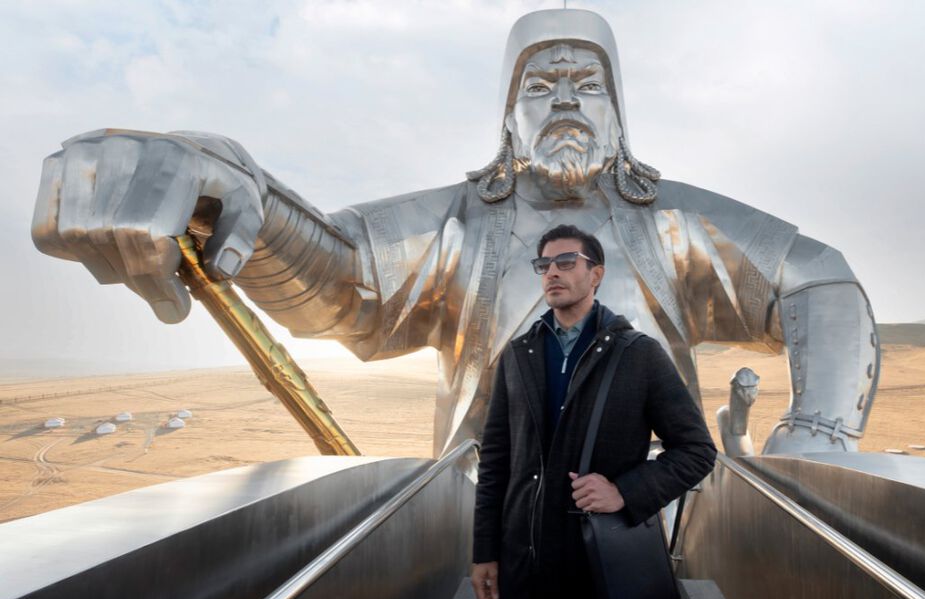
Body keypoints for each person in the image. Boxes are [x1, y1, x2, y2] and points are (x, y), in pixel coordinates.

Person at [31, 9, 879, 461]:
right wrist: (238, 193)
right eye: (541, 85)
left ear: (620, 110)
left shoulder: (674, 222)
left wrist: (822, 429)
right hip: (492, 531)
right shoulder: (462, 225)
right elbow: (342, 284)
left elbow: (817, 277)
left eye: (587, 83)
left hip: (657, 528)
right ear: (509, 116)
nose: (566, 99)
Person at [470, 224, 716, 599]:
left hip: (599, 565)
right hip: (524, 562)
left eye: (567, 262)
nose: (552, 272)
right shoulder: (517, 355)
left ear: (596, 274)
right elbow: (495, 461)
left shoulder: (639, 354)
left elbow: (697, 450)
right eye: (544, 265)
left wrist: (624, 492)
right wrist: (485, 551)